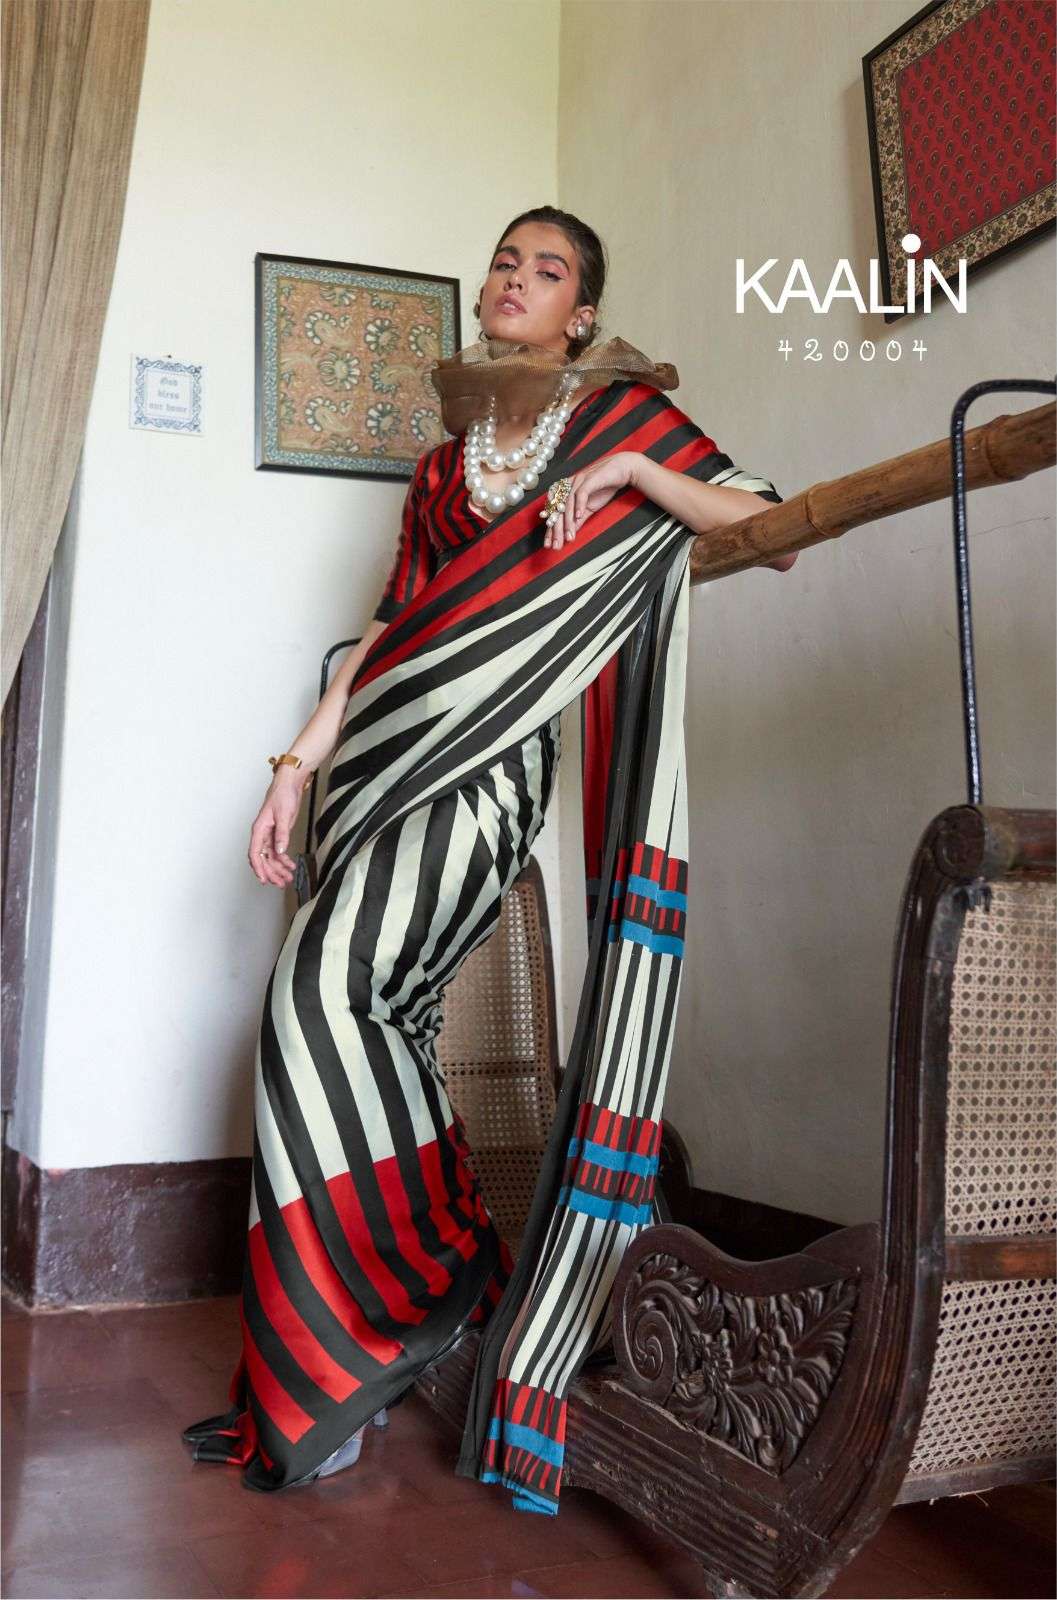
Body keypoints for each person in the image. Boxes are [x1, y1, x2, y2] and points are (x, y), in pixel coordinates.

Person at [182, 204, 794, 1509]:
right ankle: (393, 1318)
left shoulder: (618, 421)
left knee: (320, 1000)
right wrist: (293, 767)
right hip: (378, 762)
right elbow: (387, 633)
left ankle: (411, 1295)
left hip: (490, 773)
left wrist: (634, 478)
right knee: (363, 1015)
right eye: (506, 262)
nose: (516, 280)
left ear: (583, 313)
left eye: (548, 269)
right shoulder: (440, 470)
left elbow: (766, 522)